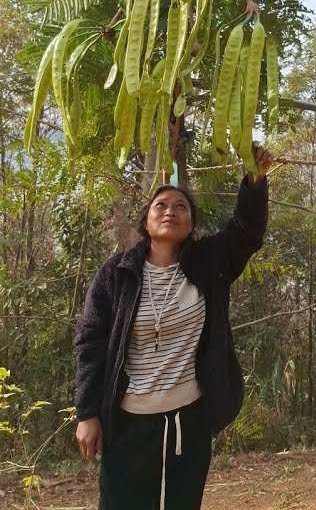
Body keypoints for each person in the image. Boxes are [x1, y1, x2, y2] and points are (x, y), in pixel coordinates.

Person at [74, 144, 274, 510]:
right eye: (161, 205)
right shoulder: (117, 274)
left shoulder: (209, 263)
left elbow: (246, 233)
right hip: (128, 425)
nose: (171, 211)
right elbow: (91, 341)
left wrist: (254, 183)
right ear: (145, 220)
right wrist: (87, 413)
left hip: (189, 422)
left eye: (181, 207)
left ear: (191, 224)